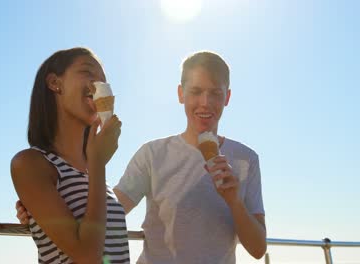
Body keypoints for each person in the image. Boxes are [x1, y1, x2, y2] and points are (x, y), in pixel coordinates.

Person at [17, 50, 266, 264]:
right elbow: (111, 210)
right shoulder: (153, 154)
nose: (205, 102)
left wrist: (234, 201)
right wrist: (43, 212)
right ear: (181, 94)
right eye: (196, 91)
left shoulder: (246, 160)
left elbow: (257, 250)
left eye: (215, 93)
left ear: (228, 97)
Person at [11, 47, 129, 264]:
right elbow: (88, 256)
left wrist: (96, 166)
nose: (99, 85)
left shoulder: (92, 169)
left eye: (103, 80)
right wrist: (97, 165)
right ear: (55, 83)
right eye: (88, 72)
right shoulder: (29, 163)